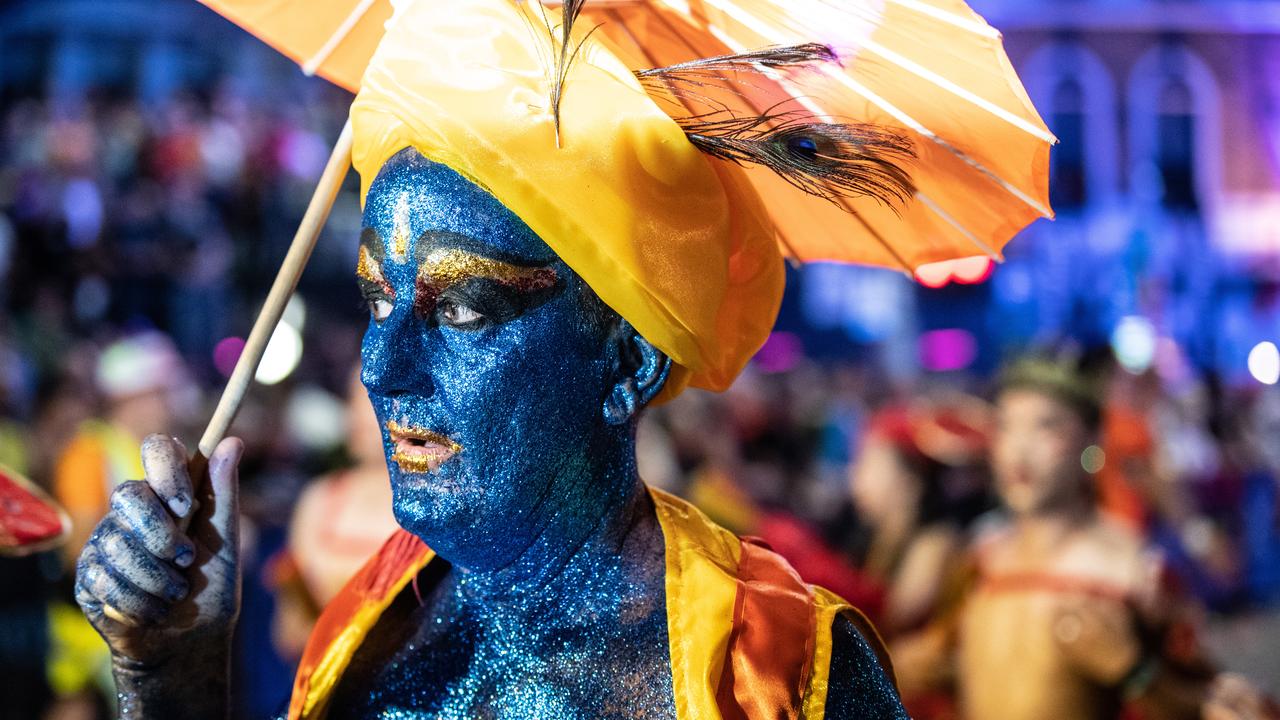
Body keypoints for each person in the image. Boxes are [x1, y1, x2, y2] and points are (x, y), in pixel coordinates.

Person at [71, 1, 919, 717]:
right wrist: (173, 678)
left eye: (466, 308)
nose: (379, 366)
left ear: (631, 359)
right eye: (376, 300)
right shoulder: (364, 626)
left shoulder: (777, 673)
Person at [892, 358, 1275, 720]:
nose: (1019, 452)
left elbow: (1210, 703)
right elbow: (940, 664)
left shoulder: (1131, 570)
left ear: (1091, 439)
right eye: (1006, 427)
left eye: (1045, 427)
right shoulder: (982, 562)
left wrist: (1135, 671)